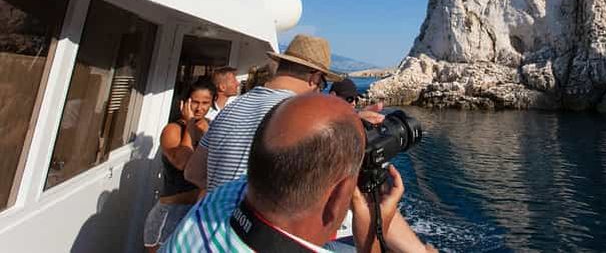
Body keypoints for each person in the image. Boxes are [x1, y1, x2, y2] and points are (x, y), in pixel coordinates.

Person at [163, 94, 431, 253]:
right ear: (339, 196)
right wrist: (370, 236)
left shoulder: (219, 202)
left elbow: (292, 151)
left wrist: (341, 127)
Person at [184, 34, 344, 192]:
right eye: (322, 84)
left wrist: (225, 194)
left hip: (211, 213)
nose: (320, 90)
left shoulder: (231, 107)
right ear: (314, 78)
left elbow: (193, 173)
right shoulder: (299, 114)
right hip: (255, 218)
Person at [143, 77, 215, 252]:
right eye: (195, 102)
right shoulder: (173, 130)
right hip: (170, 213)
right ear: (185, 103)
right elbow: (183, 162)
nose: (199, 108)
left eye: (205, 103)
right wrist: (189, 124)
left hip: (197, 212)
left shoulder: (211, 127)